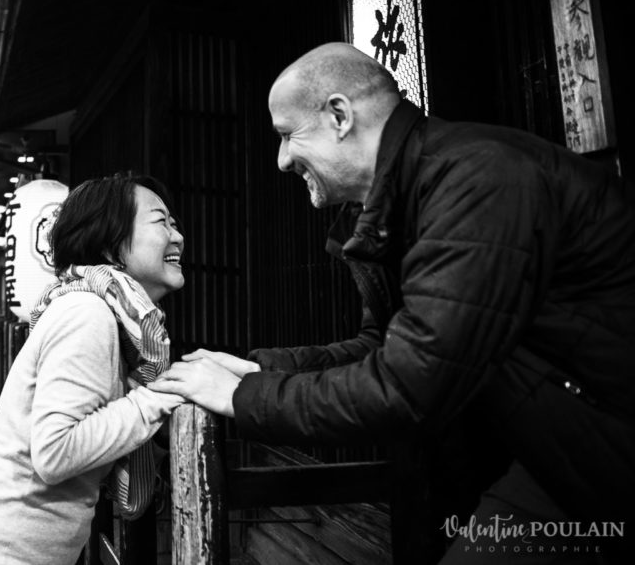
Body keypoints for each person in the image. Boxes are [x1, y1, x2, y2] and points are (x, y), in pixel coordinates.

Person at [150, 42, 635, 563]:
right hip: (558, 455)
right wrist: (255, 370)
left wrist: (245, 398)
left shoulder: (475, 181)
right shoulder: (400, 200)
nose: (283, 159)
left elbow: (407, 386)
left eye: (288, 135)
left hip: (603, 453)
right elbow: (381, 346)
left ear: (339, 115)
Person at [0, 174, 187, 565]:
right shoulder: (87, 314)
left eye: (174, 223)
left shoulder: (101, 315)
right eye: (161, 222)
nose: (177, 236)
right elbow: (56, 451)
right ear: (111, 246)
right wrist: (160, 397)